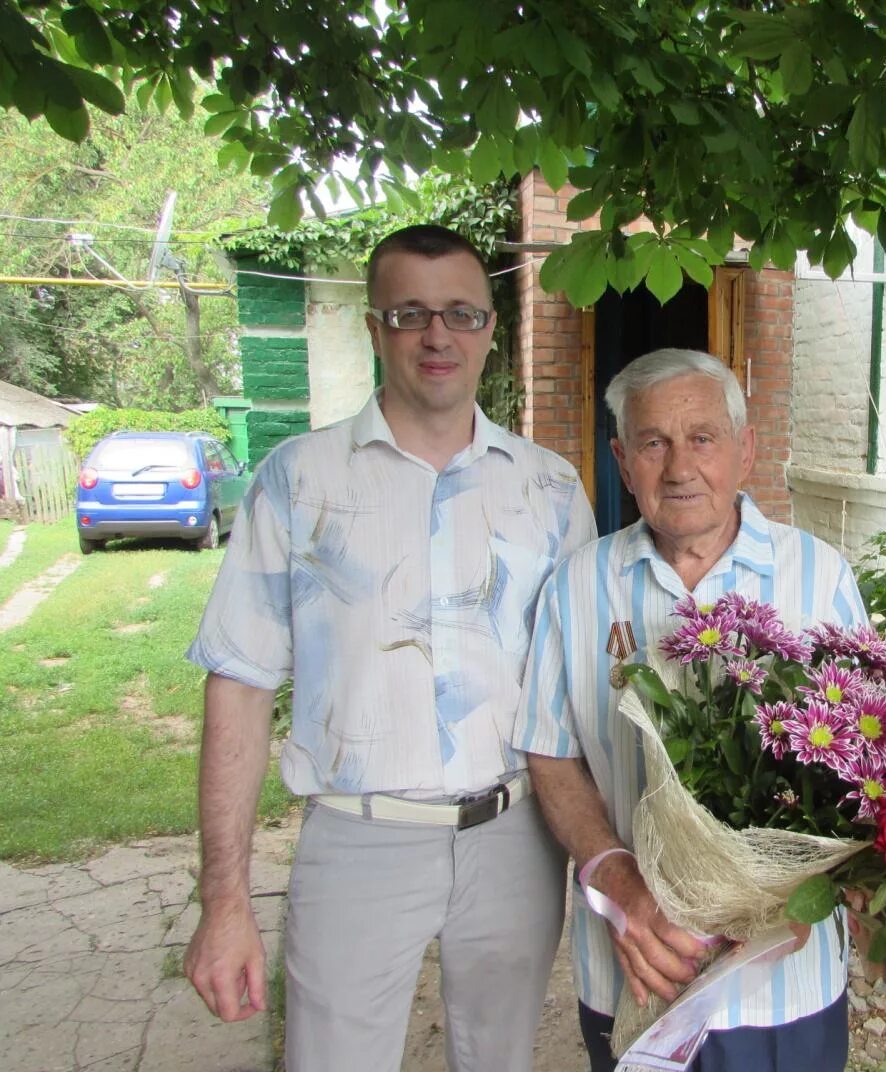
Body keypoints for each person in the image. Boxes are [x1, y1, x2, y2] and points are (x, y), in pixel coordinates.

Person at [182, 224, 596, 1072]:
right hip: (358, 839)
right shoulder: (298, 481)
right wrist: (223, 900)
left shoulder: (550, 487)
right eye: (410, 313)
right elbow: (240, 680)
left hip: (516, 838)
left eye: (460, 314)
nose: (436, 335)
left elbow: (584, 688)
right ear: (374, 327)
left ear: (489, 327)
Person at [515, 348, 864, 1072]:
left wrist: (803, 888)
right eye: (652, 443)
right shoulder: (576, 586)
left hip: (783, 983)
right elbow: (551, 751)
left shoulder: (817, 577)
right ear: (621, 458)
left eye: (702, 438)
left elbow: (864, 762)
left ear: (744, 451)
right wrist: (618, 879)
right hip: (638, 970)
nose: (678, 468)